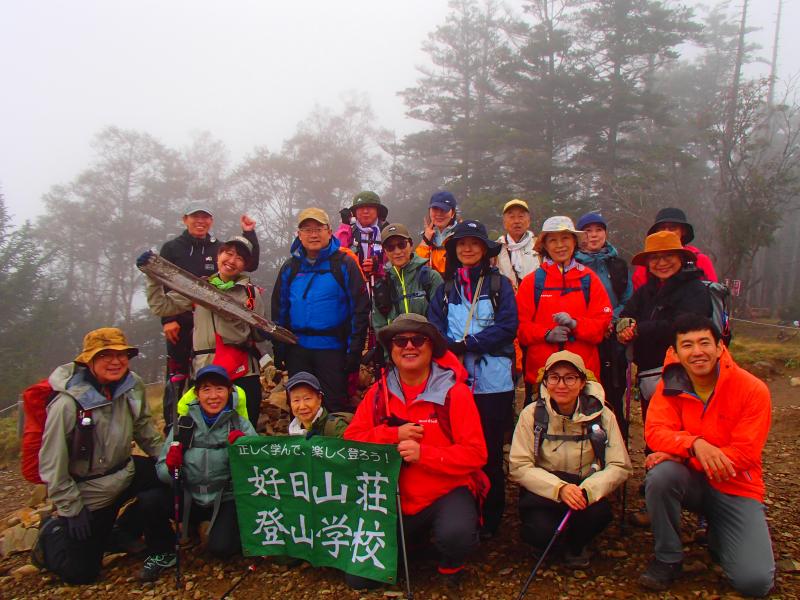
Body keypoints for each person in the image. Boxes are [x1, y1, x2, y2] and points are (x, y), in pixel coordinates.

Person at [344, 313, 487, 594]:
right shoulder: (377, 394)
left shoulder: (455, 394)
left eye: (418, 339)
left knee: (456, 535)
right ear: (392, 349)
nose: (409, 346)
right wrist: (392, 435)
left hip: (444, 493)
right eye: (400, 341)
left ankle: (450, 561)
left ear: (431, 347)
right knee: (359, 580)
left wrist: (425, 455)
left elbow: (476, 454)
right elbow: (352, 443)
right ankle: (414, 544)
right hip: (392, 500)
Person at [639, 314, 774, 596]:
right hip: (694, 482)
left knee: (755, 583)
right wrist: (694, 445)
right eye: (687, 345)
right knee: (661, 475)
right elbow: (655, 432)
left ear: (720, 347)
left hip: (737, 486)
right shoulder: (670, 385)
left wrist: (683, 455)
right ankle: (668, 557)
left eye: (704, 343)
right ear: (675, 352)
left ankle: (720, 532)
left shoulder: (752, 389)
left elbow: (745, 453)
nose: (697, 351)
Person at [33, 328, 163, 584]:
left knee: (169, 481)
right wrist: (71, 508)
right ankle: (50, 535)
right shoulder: (67, 404)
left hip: (125, 470)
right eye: (105, 355)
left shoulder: (131, 384)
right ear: (88, 360)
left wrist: (166, 460)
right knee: (81, 573)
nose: (116, 362)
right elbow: (52, 463)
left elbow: (144, 428)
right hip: (90, 491)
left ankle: (124, 530)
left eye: (122, 355)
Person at [427, 219, 518, 538]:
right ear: (453, 250)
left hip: (494, 383)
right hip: (455, 385)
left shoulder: (499, 286)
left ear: (484, 249)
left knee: (491, 451)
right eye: (461, 244)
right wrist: (450, 349)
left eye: (474, 243)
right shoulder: (445, 288)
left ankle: (492, 519)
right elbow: (433, 328)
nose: (467, 248)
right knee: (457, 449)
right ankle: (463, 515)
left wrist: (468, 344)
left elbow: (508, 326)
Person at [509, 351, 631, 568]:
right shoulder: (532, 415)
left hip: (585, 488)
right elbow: (519, 466)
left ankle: (576, 544)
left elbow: (619, 465)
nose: (561, 384)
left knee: (598, 515)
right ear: (545, 381)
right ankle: (550, 541)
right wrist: (559, 488)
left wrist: (588, 490)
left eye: (570, 377)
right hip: (546, 491)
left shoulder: (603, 415)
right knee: (539, 532)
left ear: (582, 382)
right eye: (554, 377)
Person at [136, 365, 257, 581]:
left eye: (219, 389)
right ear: (197, 393)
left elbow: (258, 469)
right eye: (206, 389)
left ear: (229, 391)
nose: (213, 396)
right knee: (149, 501)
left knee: (221, 549)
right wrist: (172, 468)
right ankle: (163, 551)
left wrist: (242, 452)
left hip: (225, 498)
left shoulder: (240, 425)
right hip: (189, 495)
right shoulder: (183, 426)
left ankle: (219, 530)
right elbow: (162, 471)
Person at [142, 235, 267, 428]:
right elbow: (162, 307)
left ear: (245, 265)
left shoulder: (251, 293)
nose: (232, 260)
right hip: (204, 369)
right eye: (228, 253)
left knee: (244, 429)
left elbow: (258, 334)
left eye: (240, 258)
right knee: (204, 431)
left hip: (242, 371)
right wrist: (153, 277)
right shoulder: (198, 287)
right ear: (218, 255)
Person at [271, 208, 370, 413]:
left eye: (318, 228)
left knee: (333, 405)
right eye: (307, 229)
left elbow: (359, 310)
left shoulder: (344, 264)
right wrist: (278, 347)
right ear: (299, 234)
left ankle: (333, 444)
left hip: (333, 349)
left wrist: (354, 351)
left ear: (329, 231)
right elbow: (280, 309)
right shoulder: (290, 268)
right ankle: (301, 445)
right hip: (297, 349)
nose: (313, 234)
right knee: (300, 407)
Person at [617, 231, 712, 427]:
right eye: (655, 258)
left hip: (685, 374)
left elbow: (685, 326)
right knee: (654, 429)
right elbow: (627, 314)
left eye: (668, 256)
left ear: (681, 258)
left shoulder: (695, 290)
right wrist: (624, 327)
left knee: (682, 429)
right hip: (648, 374)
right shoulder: (646, 291)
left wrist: (640, 330)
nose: (661, 263)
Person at [517, 216, 613, 402]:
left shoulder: (589, 279)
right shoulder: (532, 282)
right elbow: (520, 327)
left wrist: (575, 324)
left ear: (575, 242)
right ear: (544, 245)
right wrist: (546, 334)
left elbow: (602, 325)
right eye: (553, 240)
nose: (559, 245)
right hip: (542, 375)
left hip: (584, 376)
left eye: (565, 239)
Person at [574, 212, 633, 435]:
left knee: (614, 392)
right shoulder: (573, 265)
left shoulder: (617, 265)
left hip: (613, 338)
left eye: (598, 230)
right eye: (587, 231)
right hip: (585, 337)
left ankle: (616, 443)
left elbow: (628, 299)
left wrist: (611, 321)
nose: (593, 235)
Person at [371, 223, 444, 332]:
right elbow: (380, 328)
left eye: (402, 245)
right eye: (390, 247)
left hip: (426, 345)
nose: (397, 251)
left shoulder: (430, 277)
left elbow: (439, 320)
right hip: (396, 347)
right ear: (385, 251)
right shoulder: (381, 286)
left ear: (411, 245)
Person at [632, 207, 717, 290]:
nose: (666, 231)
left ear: (683, 231)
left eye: (672, 228)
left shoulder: (700, 260)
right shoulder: (645, 266)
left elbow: (713, 295)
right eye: (661, 228)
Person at [285, 371, 351, 437]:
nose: (302, 406)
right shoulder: (293, 430)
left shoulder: (336, 428)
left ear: (319, 398)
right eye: (296, 400)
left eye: (307, 398)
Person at [495, 198, 539, 290]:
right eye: (511, 217)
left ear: (528, 222)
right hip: (507, 300)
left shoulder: (539, 245)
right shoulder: (496, 248)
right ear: (504, 223)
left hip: (535, 299)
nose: (516, 221)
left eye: (521, 216)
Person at [416, 191, 458, 275]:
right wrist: (425, 240)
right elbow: (417, 266)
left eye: (444, 210)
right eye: (435, 209)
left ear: (452, 213)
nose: (439, 214)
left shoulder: (461, 234)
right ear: (429, 211)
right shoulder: (427, 236)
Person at [349, 191, 389, 279]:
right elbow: (337, 258)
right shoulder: (348, 232)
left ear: (377, 211)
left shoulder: (388, 232)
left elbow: (398, 264)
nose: (365, 211)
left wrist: (377, 268)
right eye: (361, 207)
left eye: (370, 207)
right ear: (355, 212)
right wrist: (344, 226)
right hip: (355, 287)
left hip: (384, 288)